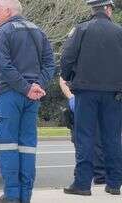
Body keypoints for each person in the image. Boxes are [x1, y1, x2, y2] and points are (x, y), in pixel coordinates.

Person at [0, 0, 55, 202]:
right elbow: (49, 63)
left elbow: (5, 66)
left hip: (11, 94)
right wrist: (37, 85)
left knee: (7, 144)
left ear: (8, 11)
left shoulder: (3, 31)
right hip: (33, 97)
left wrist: (26, 88)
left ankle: (12, 196)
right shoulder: (39, 31)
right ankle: (25, 196)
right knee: (28, 146)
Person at [61, 0, 122, 196]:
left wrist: (69, 77)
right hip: (114, 93)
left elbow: (67, 58)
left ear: (94, 9)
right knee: (112, 138)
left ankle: (82, 184)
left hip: (85, 91)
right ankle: (114, 183)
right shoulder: (119, 32)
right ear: (107, 8)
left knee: (85, 137)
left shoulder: (81, 29)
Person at [59, 77, 106, 184]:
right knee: (81, 143)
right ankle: (83, 179)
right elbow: (63, 78)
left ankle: (100, 178)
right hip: (80, 101)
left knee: (99, 143)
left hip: (99, 102)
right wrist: (71, 98)